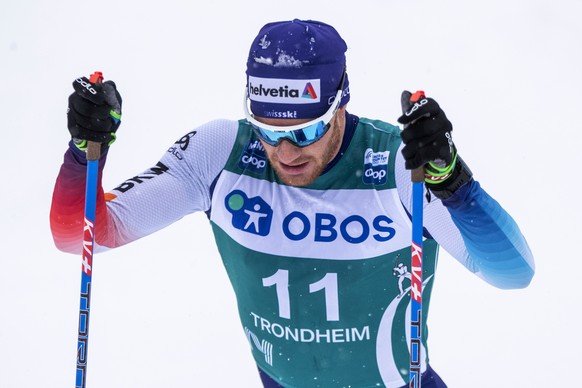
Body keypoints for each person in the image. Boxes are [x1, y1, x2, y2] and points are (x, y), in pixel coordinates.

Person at [51, 19, 535, 388]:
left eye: (305, 132)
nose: (286, 152)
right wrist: (82, 154)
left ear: (340, 103)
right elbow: (79, 237)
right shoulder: (220, 153)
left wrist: (454, 182)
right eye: (269, 132)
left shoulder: (395, 163)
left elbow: (512, 274)